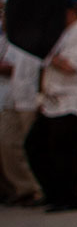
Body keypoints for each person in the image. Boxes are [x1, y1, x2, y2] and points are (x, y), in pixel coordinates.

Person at [25, 0, 77, 212]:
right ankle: (52, 192)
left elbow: (71, 66)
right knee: (36, 146)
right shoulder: (63, 33)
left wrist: (48, 55)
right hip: (54, 100)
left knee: (65, 152)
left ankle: (69, 197)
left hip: (75, 100)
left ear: (71, 12)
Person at [0, 32, 45, 206]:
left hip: (30, 98)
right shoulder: (10, 37)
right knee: (8, 143)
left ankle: (34, 188)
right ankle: (19, 187)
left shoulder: (35, 36)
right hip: (10, 98)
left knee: (29, 146)